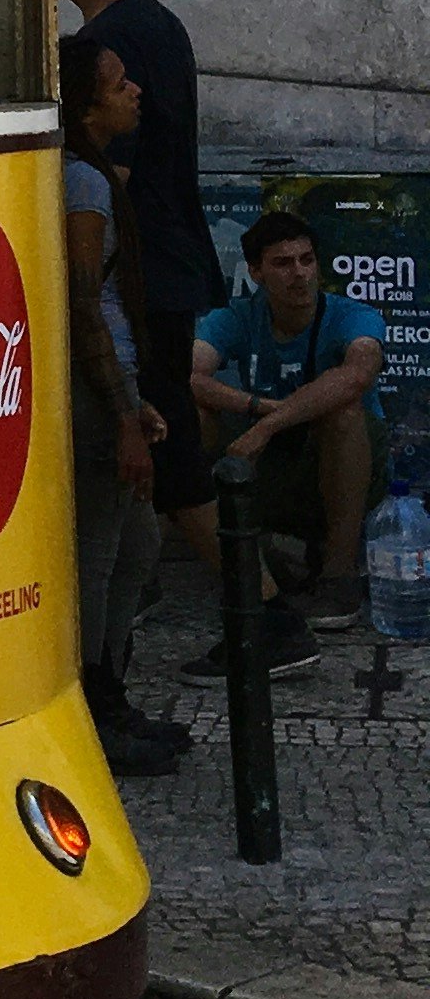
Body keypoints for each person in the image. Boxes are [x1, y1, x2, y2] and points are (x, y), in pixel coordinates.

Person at [54, 0, 224, 577]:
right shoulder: (159, 21)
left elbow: (113, 173)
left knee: (164, 436)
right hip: (171, 257)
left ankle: (263, 611)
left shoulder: (108, 44)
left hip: (142, 270)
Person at [185, 208, 387, 673]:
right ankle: (256, 557)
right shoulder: (237, 316)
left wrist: (268, 426)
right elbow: (187, 374)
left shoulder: (350, 315)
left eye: (306, 260)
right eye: (282, 263)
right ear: (255, 272)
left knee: (344, 412)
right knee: (189, 413)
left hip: (342, 466)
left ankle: (339, 577)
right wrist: (259, 408)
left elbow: (358, 373)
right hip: (269, 465)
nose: (298, 273)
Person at [59, 34, 185, 775]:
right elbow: (81, 302)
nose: (133, 91)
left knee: (139, 548)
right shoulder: (84, 183)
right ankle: (94, 714)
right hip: (95, 391)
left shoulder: (89, 175)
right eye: (117, 85)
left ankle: (116, 695)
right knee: (100, 557)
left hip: (119, 386)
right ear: (85, 105)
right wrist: (120, 413)